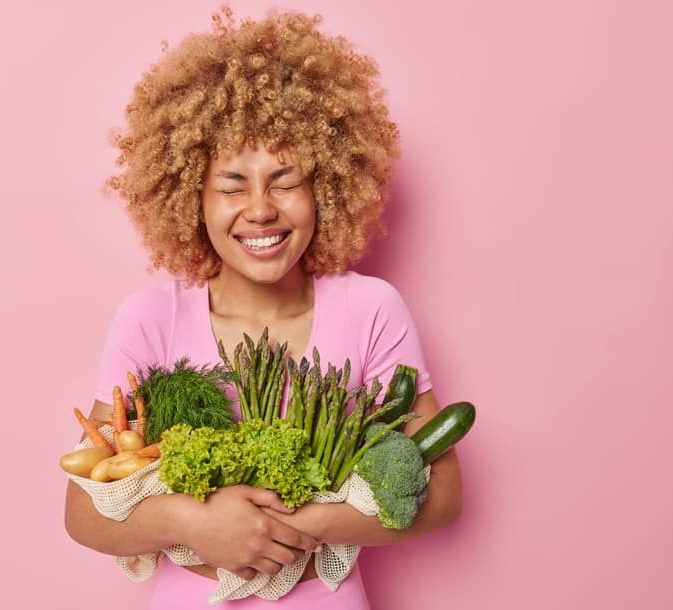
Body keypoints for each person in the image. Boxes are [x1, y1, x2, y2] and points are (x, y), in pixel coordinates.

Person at [64, 7, 463, 609]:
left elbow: (444, 495)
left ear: (325, 187)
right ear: (190, 198)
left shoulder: (370, 308)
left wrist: (306, 522)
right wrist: (192, 523)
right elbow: (82, 514)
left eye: (285, 180)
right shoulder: (150, 319)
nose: (260, 210)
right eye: (231, 186)